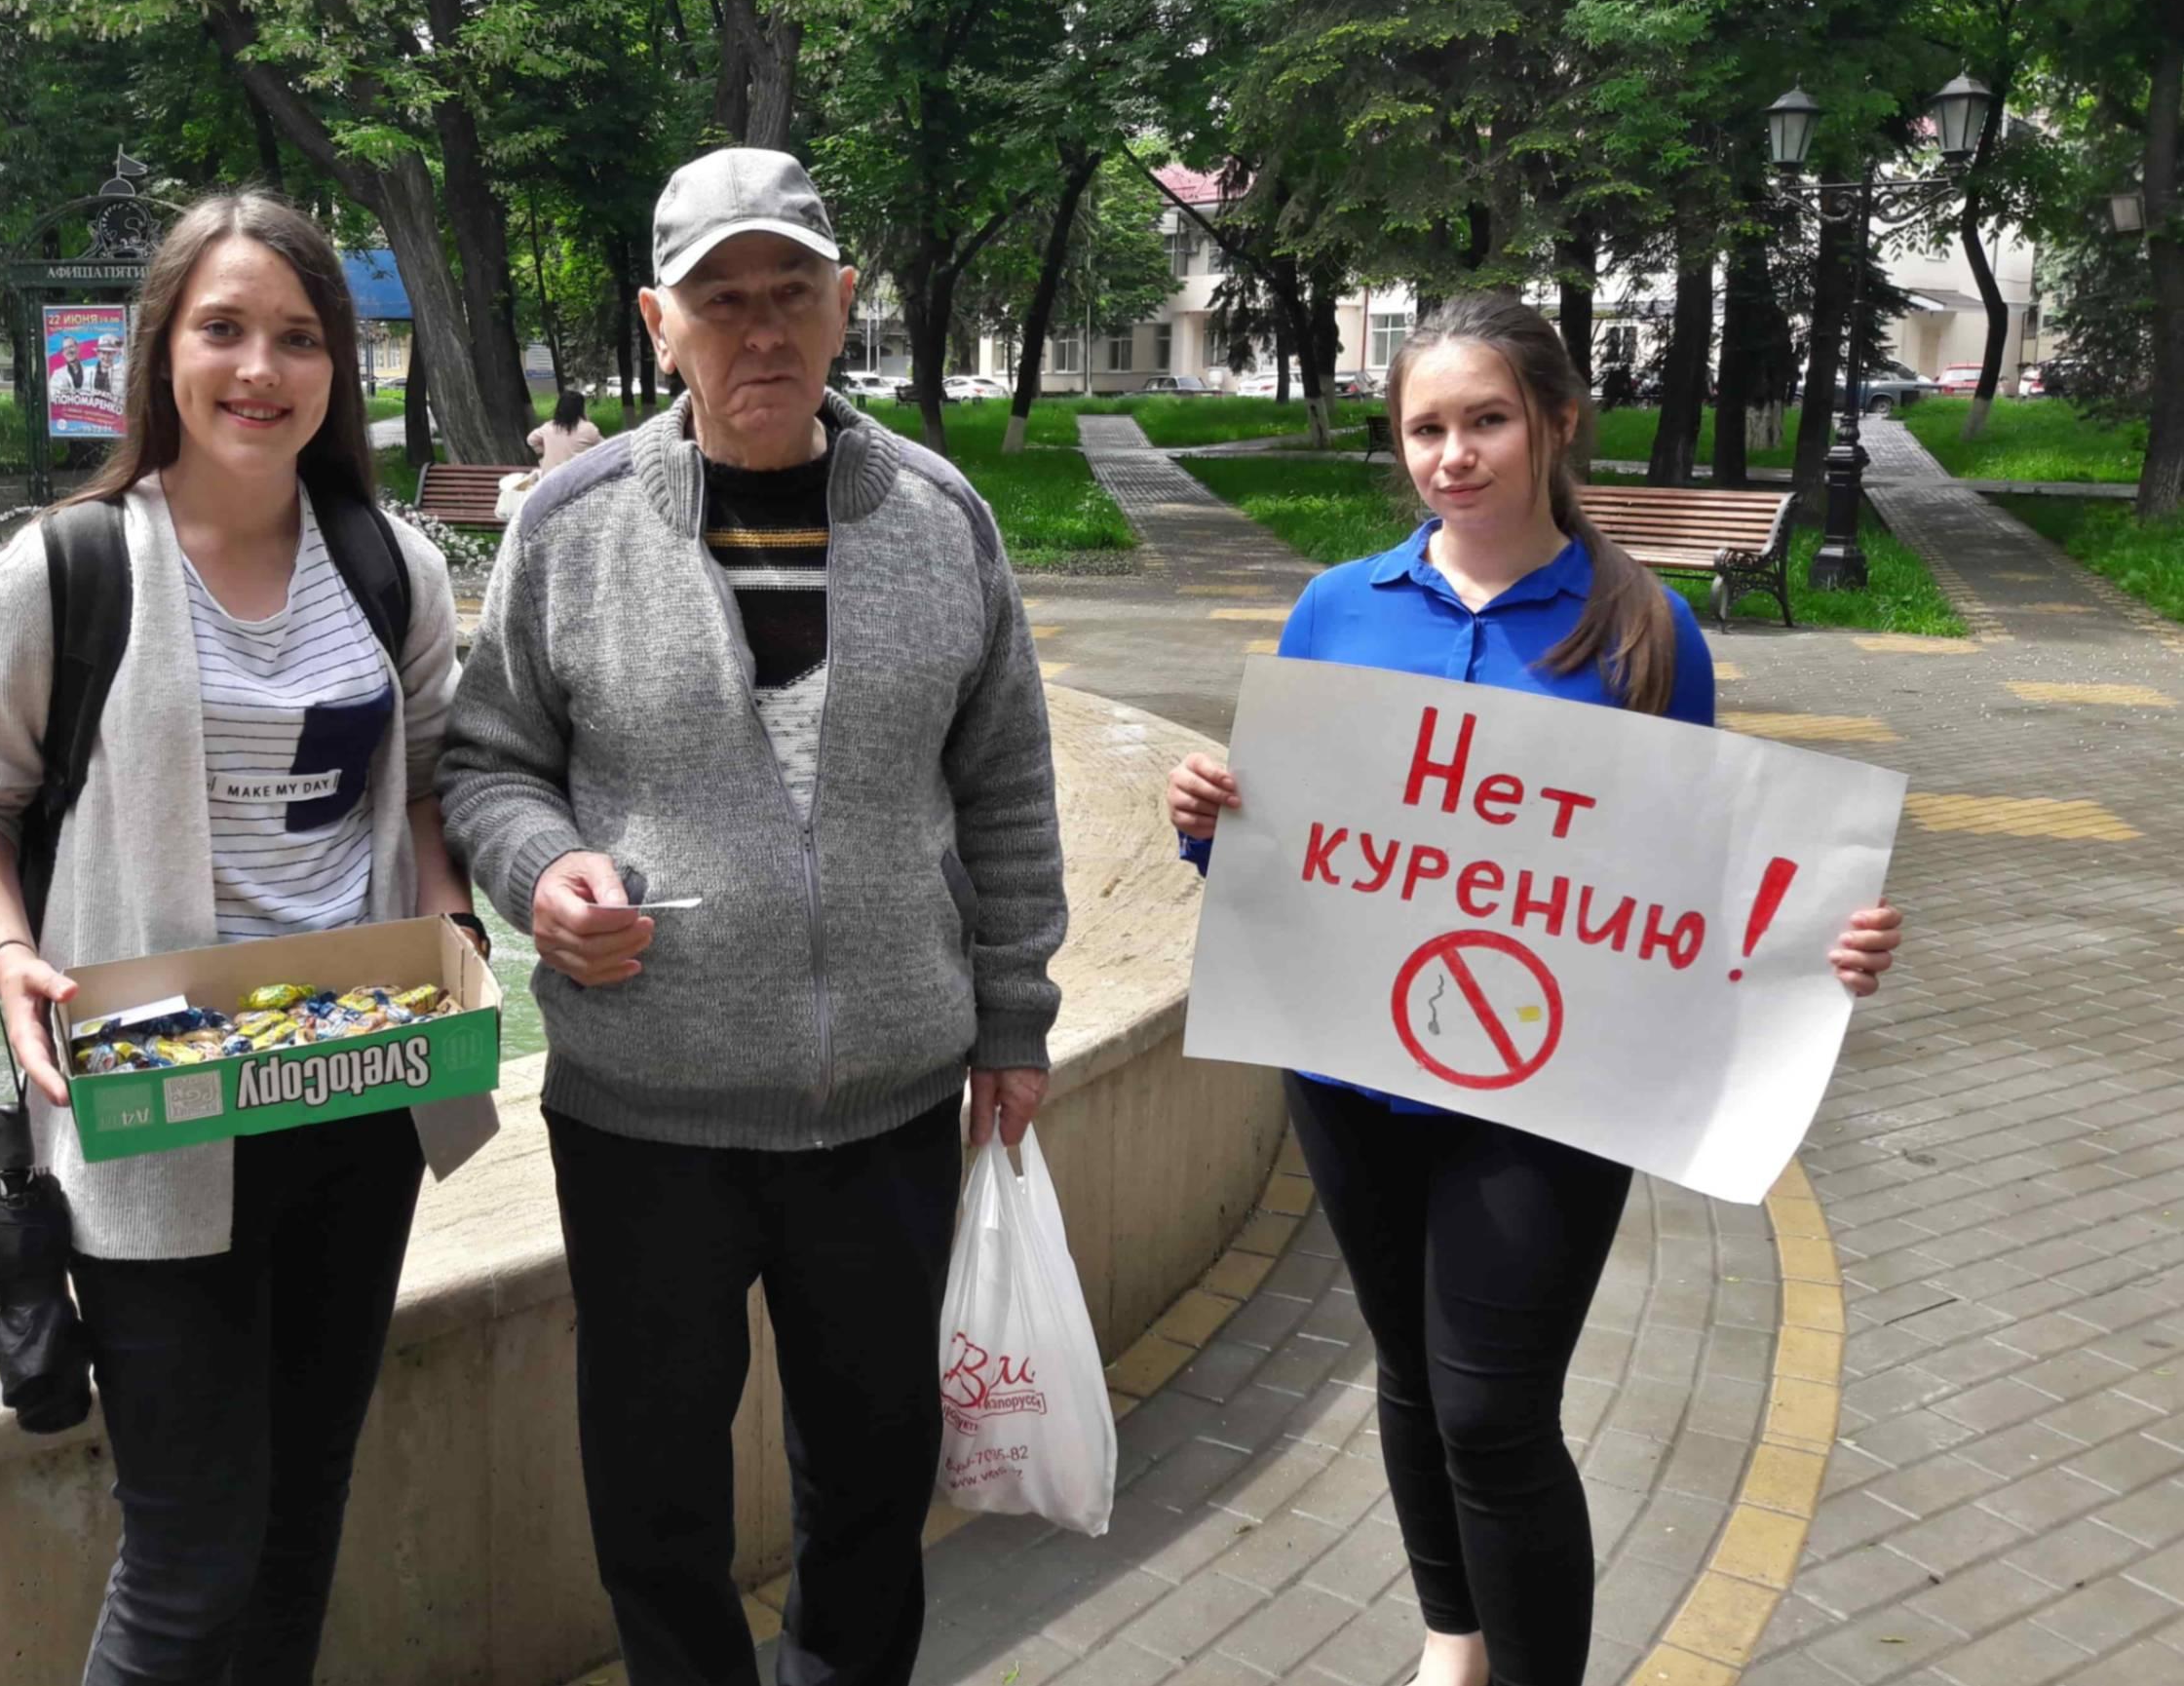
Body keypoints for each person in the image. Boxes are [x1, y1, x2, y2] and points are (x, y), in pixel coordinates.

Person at [1165, 293, 1902, 1686]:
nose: (1454, 453)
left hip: (1544, 1091)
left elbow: (1688, 879)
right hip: (1348, 1071)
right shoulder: (1335, 609)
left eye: (1485, 419)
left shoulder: (1644, 630)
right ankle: (1454, 1637)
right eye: (1426, 426)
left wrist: (1818, 943)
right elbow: (1296, 858)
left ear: (1553, 424)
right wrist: (1208, 818)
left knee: (1491, 1410)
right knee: (1406, 1374)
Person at [441, 145, 1067, 1683]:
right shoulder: (574, 527)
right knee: (652, 1492)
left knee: (869, 1479)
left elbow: (1002, 786)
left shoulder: (937, 519)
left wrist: (1014, 1015)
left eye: (791, 290)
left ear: (845, 302)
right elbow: (487, 763)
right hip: (644, 1112)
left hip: (890, 1102)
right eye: (721, 300)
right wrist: (540, 876)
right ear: (660, 324)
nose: (761, 330)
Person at [0, 187, 495, 1686]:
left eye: (297, 337)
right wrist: (8, 955)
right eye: (222, 328)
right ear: (160, 349)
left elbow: (427, 781)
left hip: (351, 1085)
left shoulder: (392, 568)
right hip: (151, 1102)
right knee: (188, 1562)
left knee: (303, 1517)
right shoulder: (72, 569)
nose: (260, 367)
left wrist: (443, 902)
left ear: (335, 369)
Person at [526, 386, 605, 470]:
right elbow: (605, 448)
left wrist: (545, 451)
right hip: (577, 478)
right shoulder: (588, 428)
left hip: (549, 477)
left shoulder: (548, 427)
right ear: (581, 408)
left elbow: (531, 440)